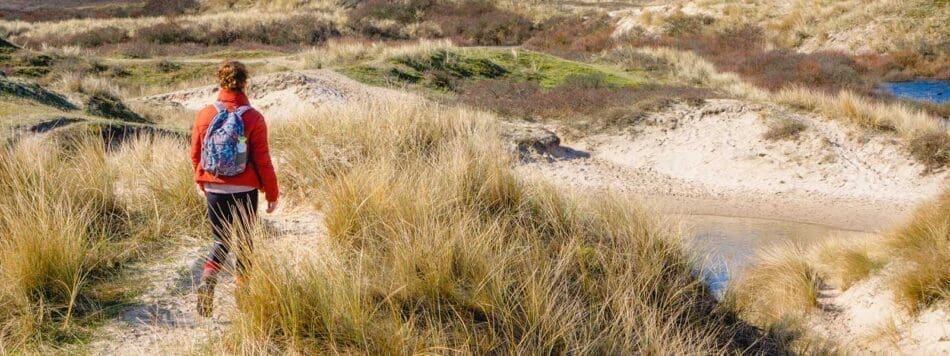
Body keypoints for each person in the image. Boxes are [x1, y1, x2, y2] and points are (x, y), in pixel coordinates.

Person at [190, 60, 279, 317]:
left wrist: (202, 180)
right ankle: (243, 293)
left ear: (220, 81)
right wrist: (271, 194)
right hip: (244, 189)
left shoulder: (205, 114)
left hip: (214, 186)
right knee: (245, 242)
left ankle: (208, 279)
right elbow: (263, 160)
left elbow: (195, 153)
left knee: (221, 239)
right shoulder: (253, 117)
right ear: (245, 83)